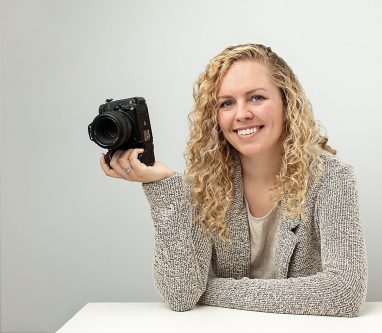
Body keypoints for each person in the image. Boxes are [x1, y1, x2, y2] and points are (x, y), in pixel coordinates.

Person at [99, 44, 368, 317]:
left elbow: (344, 291)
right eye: (227, 103)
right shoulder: (205, 182)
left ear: (288, 103)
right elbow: (181, 294)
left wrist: (209, 290)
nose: (241, 114)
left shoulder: (332, 178)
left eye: (256, 98)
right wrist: (163, 188)